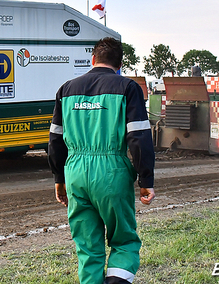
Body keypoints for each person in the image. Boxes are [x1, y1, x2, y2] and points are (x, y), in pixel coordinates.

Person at [48, 37, 155, 284]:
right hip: (110, 172)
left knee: (87, 248)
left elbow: (55, 140)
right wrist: (145, 179)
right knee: (124, 241)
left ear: (92, 59)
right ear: (119, 65)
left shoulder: (66, 90)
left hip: (75, 173)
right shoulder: (128, 88)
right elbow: (138, 137)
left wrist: (59, 179)